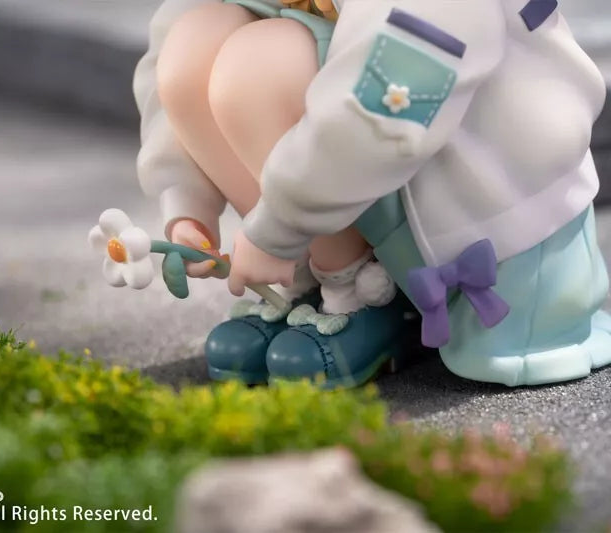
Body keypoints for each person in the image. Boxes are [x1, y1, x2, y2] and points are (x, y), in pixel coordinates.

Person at [134, 0, 611, 387]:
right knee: (197, 36)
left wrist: (278, 225)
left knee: (258, 64)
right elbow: (173, 60)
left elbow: (396, 100)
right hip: (353, 173)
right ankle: (311, 283)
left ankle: (358, 290)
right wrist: (187, 200)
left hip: (470, 190)